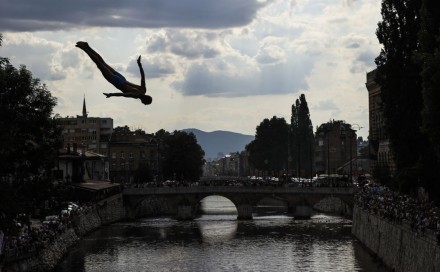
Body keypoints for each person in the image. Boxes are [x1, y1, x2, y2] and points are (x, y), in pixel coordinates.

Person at [76, 41, 152, 105]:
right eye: (145, 103)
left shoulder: (143, 89)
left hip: (122, 79)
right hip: (117, 81)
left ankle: (87, 46)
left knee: (102, 63)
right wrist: (111, 95)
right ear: (145, 100)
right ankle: (84, 48)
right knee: (99, 64)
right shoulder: (136, 95)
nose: (144, 104)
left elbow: (143, 77)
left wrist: (139, 64)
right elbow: (122, 94)